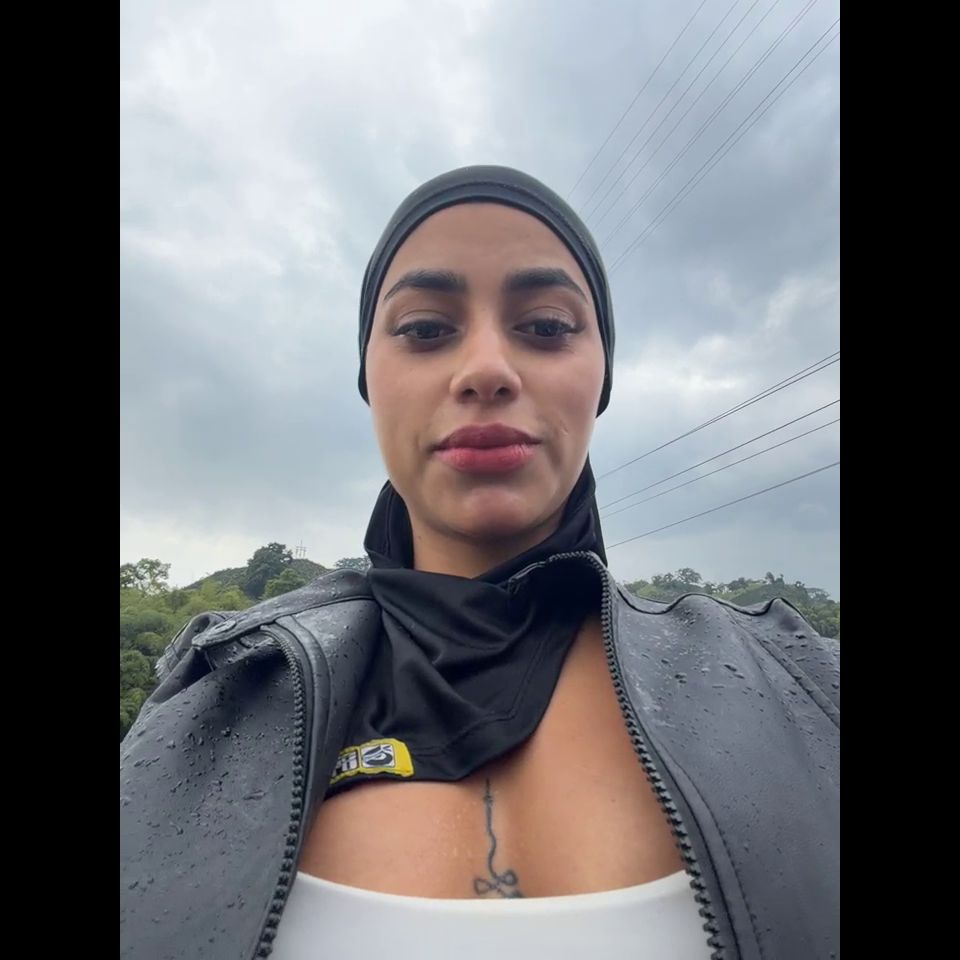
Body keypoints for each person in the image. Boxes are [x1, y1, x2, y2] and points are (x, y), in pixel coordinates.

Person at [120, 166, 840, 960]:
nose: (487, 369)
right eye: (426, 329)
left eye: (548, 326)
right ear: (369, 379)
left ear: (602, 376)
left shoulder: (800, 684)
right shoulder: (218, 692)